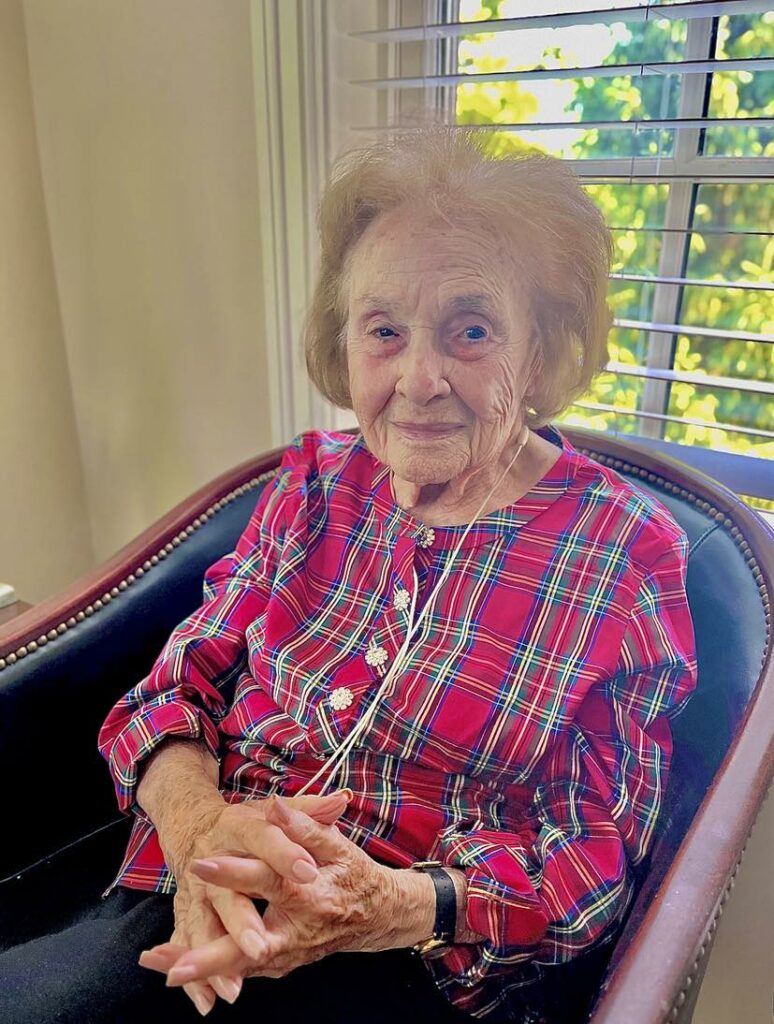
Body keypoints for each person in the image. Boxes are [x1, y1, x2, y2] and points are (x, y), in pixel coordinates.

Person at [0, 127, 697, 1024]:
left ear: (544, 350)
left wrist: (395, 904)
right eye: (384, 330)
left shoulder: (624, 553)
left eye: (471, 329)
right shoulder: (315, 486)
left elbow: (592, 857)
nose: (418, 378)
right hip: (193, 882)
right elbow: (168, 696)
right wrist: (199, 830)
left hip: (405, 959)